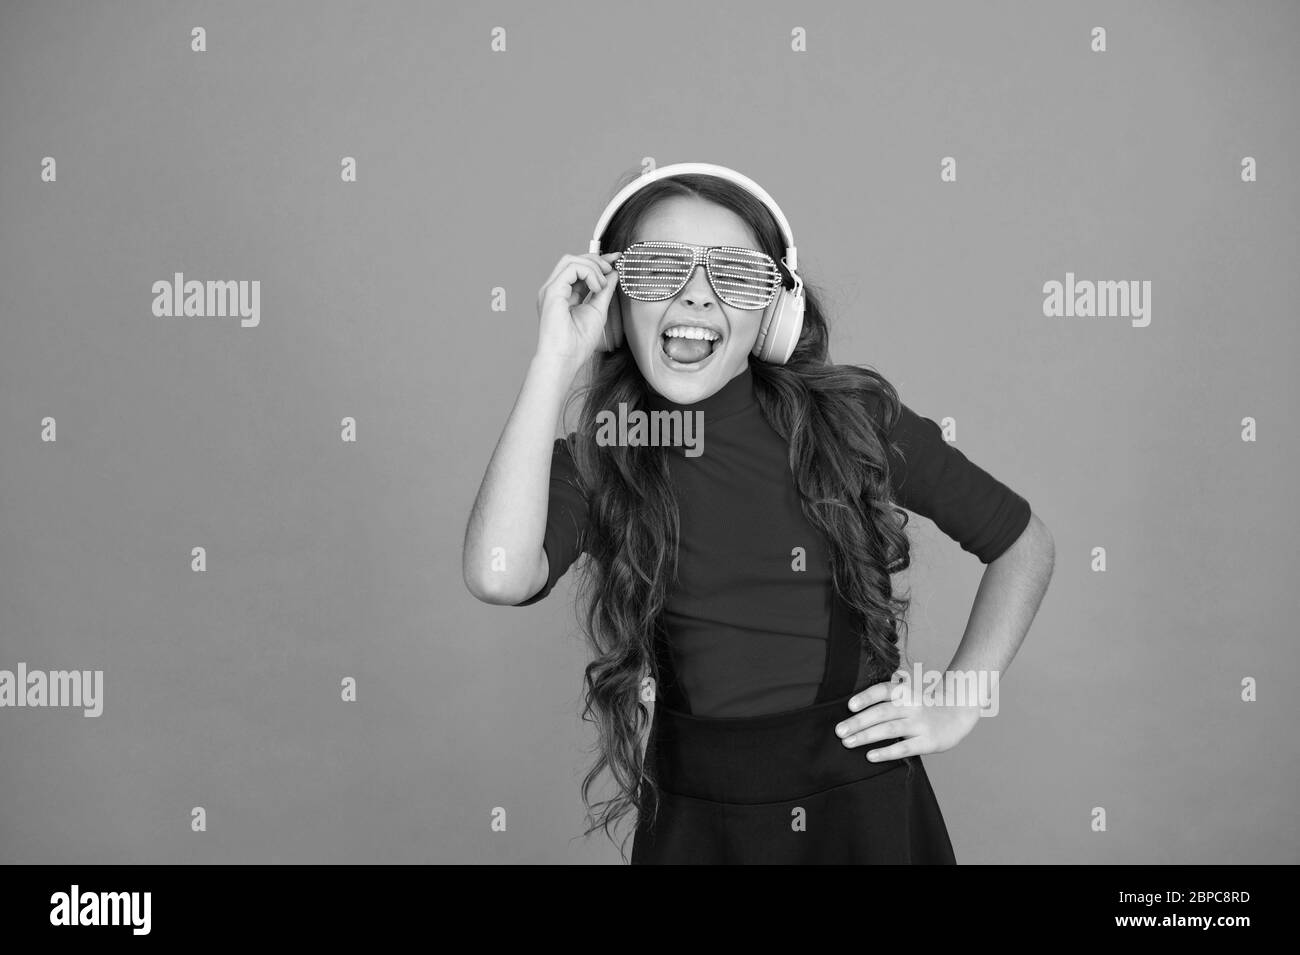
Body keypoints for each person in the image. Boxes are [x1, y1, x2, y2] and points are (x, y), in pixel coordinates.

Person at [463, 164, 1054, 864]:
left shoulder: (855, 423)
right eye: (659, 270)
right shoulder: (603, 458)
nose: (697, 297)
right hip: (695, 824)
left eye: (736, 277)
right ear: (616, 302)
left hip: (863, 816)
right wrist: (553, 358)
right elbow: (498, 574)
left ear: (776, 314)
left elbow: (1023, 543)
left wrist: (963, 697)